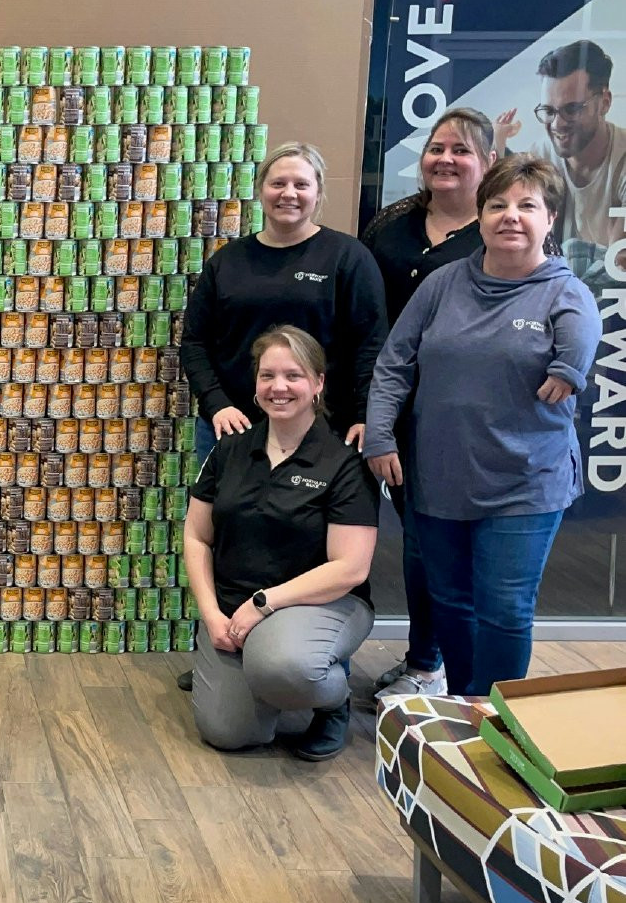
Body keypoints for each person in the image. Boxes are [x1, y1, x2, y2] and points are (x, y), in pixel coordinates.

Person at [364, 155, 602, 698]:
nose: (510, 216)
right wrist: (379, 434)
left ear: (551, 219)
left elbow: (582, 331)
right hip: (440, 475)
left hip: (526, 480)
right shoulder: (444, 283)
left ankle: (497, 719)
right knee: (449, 598)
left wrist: (569, 367)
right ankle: (463, 703)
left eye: (527, 206)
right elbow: (394, 362)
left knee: (505, 607)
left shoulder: (563, 291)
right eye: (497, 204)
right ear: (480, 214)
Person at [177, 142, 387, 692]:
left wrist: (364, 413)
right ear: (261, 190)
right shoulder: (228, 260)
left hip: (320, 430)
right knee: (231, 535)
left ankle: (318, 660)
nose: (289, 194)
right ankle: (220, 644)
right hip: (232, 428)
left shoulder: (345, 258)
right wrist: (217, 404)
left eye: (301, 184)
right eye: (278, 183)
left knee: (311, 544)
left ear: (319, 192)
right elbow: (194, 342)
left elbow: (371, 343)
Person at [187, 325, 380, 761]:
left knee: (283, 667)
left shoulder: (343, 461)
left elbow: (350, 568)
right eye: (267, 375)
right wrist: (211, 615)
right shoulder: (230, 449)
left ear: (317, 384)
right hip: (233, 609)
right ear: (255, 384)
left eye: (293, 376)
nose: (279, 387)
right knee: (228, 734)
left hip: (319, 605)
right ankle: (270, 685)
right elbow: (197, 536)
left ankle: (333, 700)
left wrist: (262, 604)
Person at [359, 107, 497, 701]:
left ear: (487, 163)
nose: (445, 159)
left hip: (453, 415)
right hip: (384, 407)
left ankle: (434, 665)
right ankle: (424, 659)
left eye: (461, 150)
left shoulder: (496, 231)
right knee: (410, 541)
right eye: (437, 148)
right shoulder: (391, 222)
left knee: (436, 544)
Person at [496, 40, 626, 284]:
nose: (557, 124)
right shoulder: (539, 156)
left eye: (572, 109)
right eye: (549, 111)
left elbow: (618, 266)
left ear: (605, 102)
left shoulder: (623, 159)